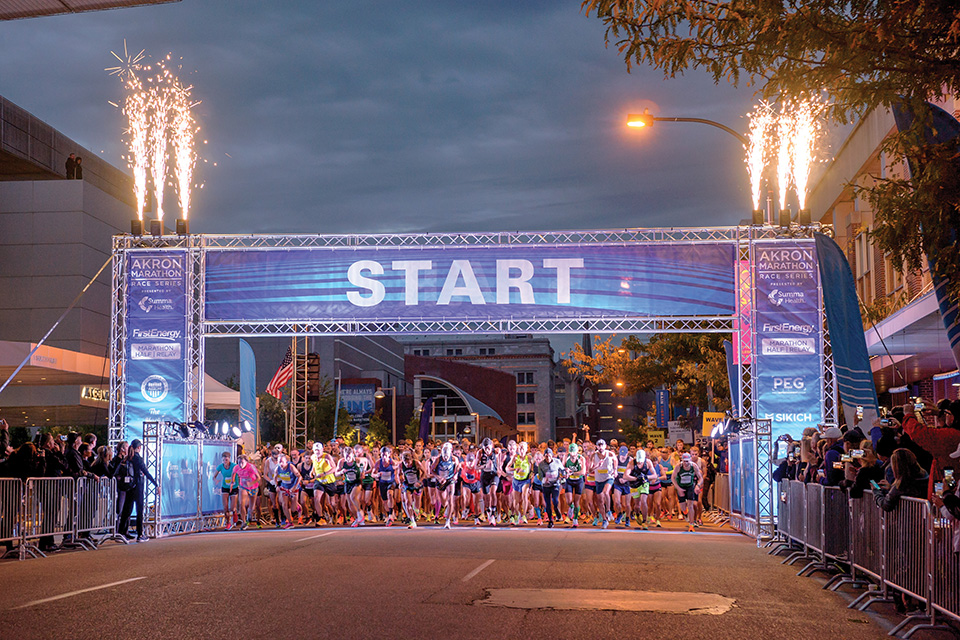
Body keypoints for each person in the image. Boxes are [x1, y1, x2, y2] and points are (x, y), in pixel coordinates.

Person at [117, 439, 159, 542]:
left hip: (130, 487)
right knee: (139, 510)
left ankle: (120, 533)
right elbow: (146, 472)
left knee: (127, 510)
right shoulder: (138, 459)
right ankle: (140, 534)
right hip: (138, 487)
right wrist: (156, 484)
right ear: (139, 448)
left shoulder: (128, 458)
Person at [672, 453, 704, 532]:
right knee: (683, 507)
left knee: (690, 505)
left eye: (687, 461)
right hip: (681, 486)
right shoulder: (678, 466)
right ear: (682, 461)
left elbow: (701, 478)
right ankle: (685, 512)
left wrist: (698, 485)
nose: (686, 463)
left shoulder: (694, 466)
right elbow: (673, 478)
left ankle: (691, 524)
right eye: (684, 461)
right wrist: (678, 488)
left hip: (690, 486)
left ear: (690, 460)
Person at [432, 441, 460, 529]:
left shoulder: (454, 459)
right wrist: (438, 477)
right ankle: (447, 507)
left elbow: (458, 467)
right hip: (441, 480)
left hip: (450, 479)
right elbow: (431, 470)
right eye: (444, 457)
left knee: (451, 498)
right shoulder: (438, 459)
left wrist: (455, 475)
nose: (446, 458)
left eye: (447, 456)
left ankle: (448, 521)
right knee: (444, 501)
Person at [536, 446, 565, 528]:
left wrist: (564, 475)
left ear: (552, 456)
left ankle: (556, 510)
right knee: (547, 503)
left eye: (549, 456)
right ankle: (550, 521)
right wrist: (544, 480)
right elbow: (540, 475)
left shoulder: (557, 461)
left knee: (555, 500)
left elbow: (562, 470)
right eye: (546, 456)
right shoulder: (541, 464)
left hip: (555, 484)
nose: (548, 458)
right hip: (546, 485)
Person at [230, 454, 260, 530]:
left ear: (246, 462)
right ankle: (243, 522)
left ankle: (249, 515)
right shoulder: (236, 467)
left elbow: (258, 478)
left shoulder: (251, 467)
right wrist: (232, 482)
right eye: (239, 462)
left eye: (242, 462)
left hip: (253, 487)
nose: (240, 464)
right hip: (243, 486)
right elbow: (233, 474)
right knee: (241, 503)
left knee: (252, 507)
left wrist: (251, 483)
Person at [213, 451, 238, 529]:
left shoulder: (234, 466)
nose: (225, 462)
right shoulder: (220, 466)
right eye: (224, 460)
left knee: (232, 507)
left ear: (229, 459)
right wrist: (216, 480)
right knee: (225, 507)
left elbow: (238, 473)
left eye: (226, 460)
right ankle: (228, 523)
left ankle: (234, 512)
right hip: (225, 487)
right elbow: (214, 476)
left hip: (234, 487)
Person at [275, 454, 301, 528]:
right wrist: (277, 486)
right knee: (284, 504)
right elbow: (275, 477)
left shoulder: (291, 467)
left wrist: (295, 487)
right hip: (284, 487)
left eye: (282, 462)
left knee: (293, 509)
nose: (281, 464)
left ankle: (298, 507)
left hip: (293, 487)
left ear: (286, 461)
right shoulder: (277, 468)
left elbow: (299, 476)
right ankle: (290, 522)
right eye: (279, 462)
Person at [563, 442, 585, 527]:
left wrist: (571, 473)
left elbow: (583, 472)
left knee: (576, 501)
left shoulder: (581, 458)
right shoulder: (566, 456)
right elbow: (562, 467)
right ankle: (571, 507)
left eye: (573, 452)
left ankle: (575, 519)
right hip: (569, 480)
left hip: (578, 481)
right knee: (568, 500)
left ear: (577, 452)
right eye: (570, 452)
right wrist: (565, 469)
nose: (572, 454)